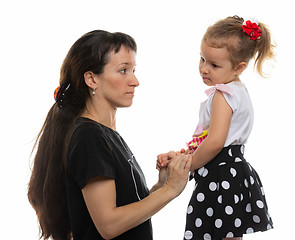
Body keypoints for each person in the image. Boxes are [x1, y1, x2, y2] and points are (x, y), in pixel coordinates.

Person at [27, 30, 192, 240]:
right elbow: (109, 225)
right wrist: (170, 190)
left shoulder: (106, 135)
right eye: (123, 70)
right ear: (91, 79)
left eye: (133, 70)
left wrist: (162, 184)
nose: (135, 81)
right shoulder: (89, 137)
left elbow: (127, 213)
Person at [157, 16, 275, 240]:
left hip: (221, 173)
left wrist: (187, 165)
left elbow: (215, 142)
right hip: (231, 170)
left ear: (239, 67)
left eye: (214, 65)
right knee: (228, 233)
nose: (204, 69)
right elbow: (208, 140)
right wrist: (181, 156)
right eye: (202, 59)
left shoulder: (223, 95)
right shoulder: (237, 92)